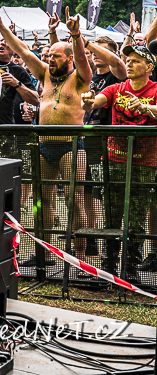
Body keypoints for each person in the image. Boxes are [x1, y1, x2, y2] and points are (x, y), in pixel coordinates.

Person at [0, 6, 91, 263]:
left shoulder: (80, 78)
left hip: (71, 145)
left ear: (69, 59)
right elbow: (24, 51)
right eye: (49, 56)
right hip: (44, 146)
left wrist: (76, 36)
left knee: (74, 198)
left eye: (56, 56)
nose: (50, 59)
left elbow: (82, 58)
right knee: (42, 200)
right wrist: (2, 28)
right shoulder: (45, 74)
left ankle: (80, 256)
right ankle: (43, 254)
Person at [82, 44, 157, 275]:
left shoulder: (155, 90)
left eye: (136, 61)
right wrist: (88, 101)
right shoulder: (117, 88)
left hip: (144, 164)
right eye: (128, 60)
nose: (129, 64)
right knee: (111, 217)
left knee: (136, 219)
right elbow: (95, 102)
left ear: (149, 67)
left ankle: (130, 270)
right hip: (114, 161)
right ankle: (108, 268)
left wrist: (146, 107)